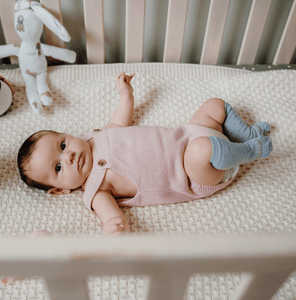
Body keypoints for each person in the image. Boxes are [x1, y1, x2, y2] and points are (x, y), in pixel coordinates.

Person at [17, 72, 273, 234]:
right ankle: (249, 150)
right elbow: (114, 221)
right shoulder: (96, 191)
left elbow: (119, 122)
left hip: (189, 133)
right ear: (59, 190)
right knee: (201, 150)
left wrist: (126, 95)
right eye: (58, 168)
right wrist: (114, 232)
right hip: (197, 172)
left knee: (215, 105)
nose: (69, 156)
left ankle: (246, 135)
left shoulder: (94, 137)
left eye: (62, 146)